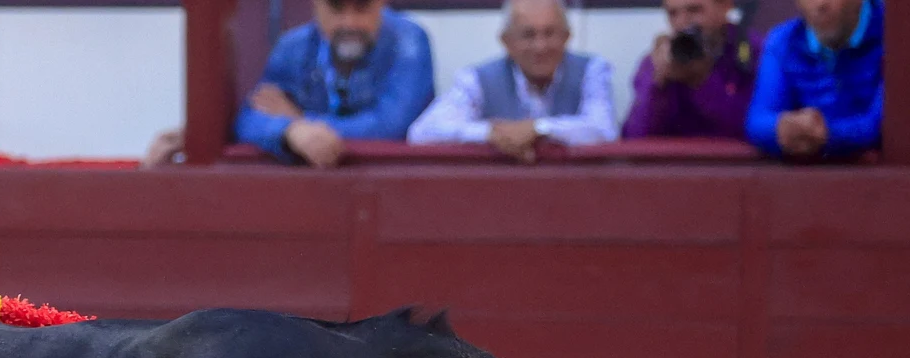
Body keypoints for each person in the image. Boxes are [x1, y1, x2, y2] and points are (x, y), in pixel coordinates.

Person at [233, 0, 435, 168]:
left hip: (395, 183)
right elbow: (249, 118)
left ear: (381, 4)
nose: (349, 23)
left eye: (362, 8)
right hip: (312, 190)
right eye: (336, 8)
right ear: (316, 6)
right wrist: (290, 131)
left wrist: (301, 120)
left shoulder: (409, 41)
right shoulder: (293, 47)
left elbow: (391, 126)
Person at [407, 0, 618, 161]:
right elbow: (422, 132)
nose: (540, 46)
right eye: (528, 35)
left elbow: (605, 130)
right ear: (506, 42)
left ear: (567, 36)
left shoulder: (592, 70)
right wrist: (492, 134)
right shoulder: (477, 78)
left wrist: (538, 129)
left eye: (550, 33)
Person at [744, 0, 882, 159]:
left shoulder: (894, 36)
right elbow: (757, 121)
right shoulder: (783, 42)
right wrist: (783, 127)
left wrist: (828, 135)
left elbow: (885, 125)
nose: (820, 4)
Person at [621, 0, 760, 139]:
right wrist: (658, 85)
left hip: (734, 159)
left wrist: (702, 82)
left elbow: (754, 129)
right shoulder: (658, 59)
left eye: (694, 10)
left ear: (725, 6)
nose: (682, 22)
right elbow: (633, 137)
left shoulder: (754, 52)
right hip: (675, 159)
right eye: (672, 13)